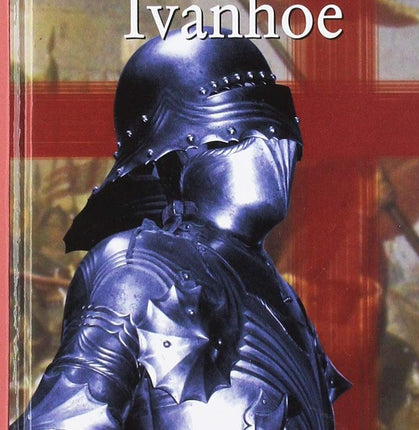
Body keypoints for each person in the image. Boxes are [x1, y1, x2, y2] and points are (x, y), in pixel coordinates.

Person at [12, 29, 349, 429]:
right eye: (245, 127)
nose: (275, 144)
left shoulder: (283, 298)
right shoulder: (139, 268)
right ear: (176, 150)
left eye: (277, 122)